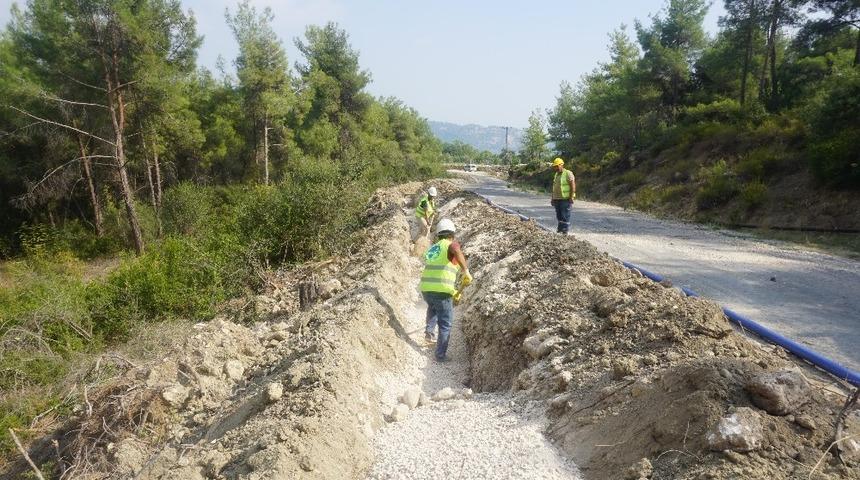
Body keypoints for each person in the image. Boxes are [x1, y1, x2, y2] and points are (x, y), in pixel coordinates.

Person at [419, 218, 472, 362]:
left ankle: (429, 334)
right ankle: (440, 355)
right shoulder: (451, 244)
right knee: (445, 323)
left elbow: (438, 268)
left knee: (433, 308)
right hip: (441, 291)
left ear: (438, 234)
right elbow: (456, 249)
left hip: (426, 289)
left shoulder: (433, 248)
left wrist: (454, 292)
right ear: (452, 234)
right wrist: (465, 270)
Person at [550, 158, 576, 234]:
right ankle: (560, 230)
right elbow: (554, 187)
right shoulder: (556, 174)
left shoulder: (568, 173)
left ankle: (564, 232)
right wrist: (552, 198)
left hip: (565, 199)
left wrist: (571, 197)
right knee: (559, 216)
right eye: (555, 166)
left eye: (557, 166)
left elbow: (573, 186)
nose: (556, 168)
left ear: (562, 165)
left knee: (565, 216)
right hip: (557, 199)